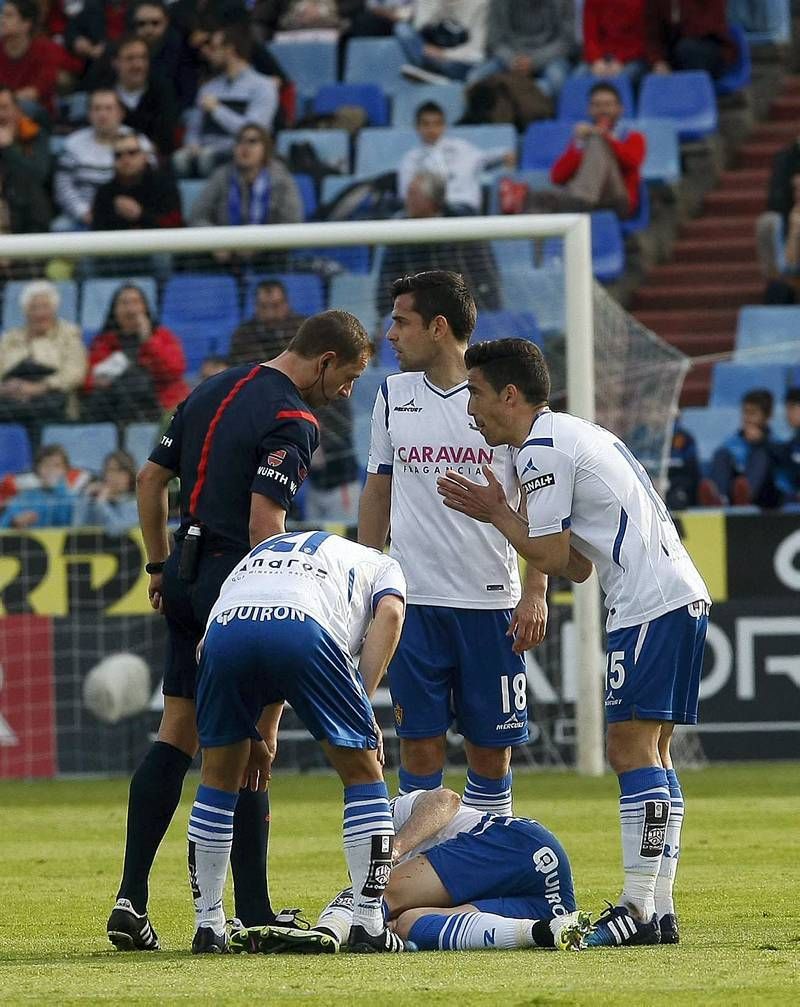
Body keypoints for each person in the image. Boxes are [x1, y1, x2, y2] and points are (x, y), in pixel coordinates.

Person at [106, 309, 371, 952]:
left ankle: (131, 899)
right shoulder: (293, 421)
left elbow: (149, 482)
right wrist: (278, 592)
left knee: (177, 730)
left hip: (186, 575)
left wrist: (160, 564)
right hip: (241, 585)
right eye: (350, 378)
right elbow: (263, 521)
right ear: (326, 359)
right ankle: (250, 906)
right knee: (252, 742)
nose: (346, 394)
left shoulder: (210, 388)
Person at [436, 337, 711, 947]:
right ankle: (658, 909)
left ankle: (637, 906)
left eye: (476, 393)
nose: (471, 409)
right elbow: (578, 568)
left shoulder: (542, 448)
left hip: (650, 602)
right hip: (676, 593)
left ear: (511, 394)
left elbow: (554, 555)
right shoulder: (570, 435)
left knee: (628, 748)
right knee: (654, 752)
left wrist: (496, 513)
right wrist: (515, 518)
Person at [360, 272, 547, 822]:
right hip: (413, 604)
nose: (389, 334)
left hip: (490, 602)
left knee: (491, 753)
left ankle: (487, 871)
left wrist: (536, 589)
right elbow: (378, 492)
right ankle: (418, 874)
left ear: (438, 327)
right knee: (418, 746)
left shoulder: (498, 397)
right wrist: (369, 583)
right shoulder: (393, 395)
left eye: (401, 321)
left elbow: (539, 499)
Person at [185, 529, 407, 954]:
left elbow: (212, 645)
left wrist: (257, 727)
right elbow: (392, 616)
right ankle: (367, 921)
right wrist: (359, 703)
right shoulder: (384, 565)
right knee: (363, 771)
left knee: (216, 778)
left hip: (224, 633)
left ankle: (208, 925)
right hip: (303, 625)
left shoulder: (266, 552)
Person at [234, 786, 590, 954]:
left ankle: (324, 933)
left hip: (519, 845)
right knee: (409, 924)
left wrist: (397, 848)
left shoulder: (392, 812)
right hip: (546, 903)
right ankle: (544, 933)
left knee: (376, 894)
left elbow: (446, 799)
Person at [229, 279, 362, 523]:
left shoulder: (307, 336)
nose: (270, 313)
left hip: (338, 477)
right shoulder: (244, 336)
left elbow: (342, 422)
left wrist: (319, 441)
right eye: (264, 307)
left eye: (276, 306)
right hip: (304, 475)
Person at [377, 175, 501, 315]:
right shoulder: (399, 232)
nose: (407, 199)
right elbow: (387, 282)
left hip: (462, 311)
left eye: (413, 194)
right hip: (417, 312)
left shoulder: (463, 225)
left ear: (431, 201)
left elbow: (484, 275)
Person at [524, 81, 645, 219]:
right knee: (538, 197)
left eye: (608, 105)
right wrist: (579, 144)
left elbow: (632, 162)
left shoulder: (633, 137)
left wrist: (605, 136)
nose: (603, 110)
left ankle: (581, 201)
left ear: (619, 109)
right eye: (597, 105)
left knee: (597, 141)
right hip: (580, 199)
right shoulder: (583, 139)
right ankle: (532, 239)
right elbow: (556, 177)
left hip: (618, 200)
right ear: (589, 109)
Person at [172, 24, 279, 178]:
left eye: (215, 48)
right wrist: (192, 144)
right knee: (179, 160)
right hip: (203, 150)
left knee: (207, 160)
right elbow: (194, 127)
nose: (208, 53)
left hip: (237, 151)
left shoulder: (263, 86)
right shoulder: (208, 88)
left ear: (230, 50)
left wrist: (217, 110)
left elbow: (254, 131)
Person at [188, 123, 302, 259]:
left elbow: (292, 223)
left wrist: (259, 245)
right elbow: (197, 217)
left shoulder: (281, 179)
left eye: (252, 141)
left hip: (270, 257)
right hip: (224, 256)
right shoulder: (221, 176)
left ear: (266, 148)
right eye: (240, 141)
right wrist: (215, 241)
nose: (245, 147)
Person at [82, 284, 189, 422]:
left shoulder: (163, 336)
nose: (130, 309)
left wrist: (148, 340)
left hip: (157, 402)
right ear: (114, 310)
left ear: (145, 308)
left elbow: (174, 371)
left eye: (135, 302)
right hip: (113, 403)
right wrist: (97, 382)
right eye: (124, 303)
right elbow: (88, 380)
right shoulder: (103, 342)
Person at [398, 101, 515, 215]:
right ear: (417, 127)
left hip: (462, 208)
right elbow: (405, 194)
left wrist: (505, 155)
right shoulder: (410, 159)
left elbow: (487, 158)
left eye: (437, 123)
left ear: (444, 126)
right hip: (429, 212)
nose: (431, 129)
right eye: (426, 124)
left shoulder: (462, 149)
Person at [0, 280, 87, 432]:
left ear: (54, 309)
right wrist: (7, 388)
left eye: (45, 307)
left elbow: (75, 373)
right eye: (34, 308)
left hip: (53, 404)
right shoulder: (9, 339)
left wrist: (39, 387)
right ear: (25, 311)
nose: (40, 313)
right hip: (11, 403)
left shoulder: (69, 334)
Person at [54, 89, 143, 232]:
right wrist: (82, 212)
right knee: (59, 227)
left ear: (121, 113)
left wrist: (137, 211)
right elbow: (63, 186)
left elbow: (150, 181)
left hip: (128, 215)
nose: (103, 114)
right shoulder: (73, 144)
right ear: (89, 114)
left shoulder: (138, 141)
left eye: (109, 108)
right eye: (97, 108)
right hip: (82, 216)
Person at [698, 389, 785, 509]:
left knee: (761, 455)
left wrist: (761, 442)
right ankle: (719, 499)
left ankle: (745, 496)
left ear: (767, 416)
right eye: (745, 413)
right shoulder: (733, 441)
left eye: (753, 413)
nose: (747, 418)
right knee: (721, 454)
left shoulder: (776, 442)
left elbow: (784, 467)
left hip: (766, 497)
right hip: (734, 490)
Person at [0, 0, 80, 117]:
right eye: (2, 14)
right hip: (4, 111)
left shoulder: (46, 50)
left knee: (25, 105)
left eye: (9, 15)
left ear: (26, 24)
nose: (2, 20)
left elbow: (34, 93)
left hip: (36, 118)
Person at [91, 131, 182, 231]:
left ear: (145, 156)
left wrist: (141, 215)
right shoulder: (105, 193)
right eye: (118, 155)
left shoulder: (164, 184)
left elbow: (176, 225)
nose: (125, 159)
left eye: (132, 152)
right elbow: (98, 231)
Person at [482, 0, 574, 97]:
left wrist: (534, 61)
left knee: (557, 79)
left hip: (549, 57)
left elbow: (566, 41)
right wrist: (512, 60)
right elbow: (494, 41)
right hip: (510, 56)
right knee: (475, 79)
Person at [108, 34, 179, 156]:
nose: (138, 65)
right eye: (130, 58)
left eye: (143, 58)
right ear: (115, 63)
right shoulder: (104, 95)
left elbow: (166, 140)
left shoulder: (163, 93)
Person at [396, 0, 489, 83]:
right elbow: (421, 28)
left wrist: (444, 54)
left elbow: (477, 52)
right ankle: (428, 72)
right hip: (431, 52)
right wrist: (440, 4)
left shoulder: (481, 4)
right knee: (402, 29)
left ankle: (432, 73)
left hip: (457, 60)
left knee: (470, 66)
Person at [645, 0, 734, 79]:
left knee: (686, 49)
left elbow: (710, 27)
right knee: (640, 71)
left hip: (710, 47)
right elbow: (652, 36)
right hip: (674, 53)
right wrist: (658, 61)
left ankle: (695, 94)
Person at [0, 443, 77, 528]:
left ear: (66, 470)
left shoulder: (70, 498)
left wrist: (59, 490)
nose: (51, 470)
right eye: (46, 465)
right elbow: (4, 523)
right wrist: (15, 522)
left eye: (57, 466)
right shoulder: (26, 496)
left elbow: (67, 521)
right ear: (37, 469)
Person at [582, 0, 647, 86]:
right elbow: (590, 36)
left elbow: (644, 37)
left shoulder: (640, 3)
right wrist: (596, 60)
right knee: (578, 79)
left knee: (623, 78)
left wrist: (621, 61)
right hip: (600, 58)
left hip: (632, 58)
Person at [72, 449, 139, 532]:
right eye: (109, 470)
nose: (114, 476)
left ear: (130, 475)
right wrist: (85, 496)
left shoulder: (135, 503)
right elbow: (77, 527)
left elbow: (117, 531)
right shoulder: (96, 503)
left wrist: (101, 502)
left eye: (120, 471)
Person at [665, 418, 700, 511]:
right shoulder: (642, 434)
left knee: (677, 499)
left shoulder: (683, 438)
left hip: (677, 483)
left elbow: (690, 468)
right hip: (651, 482)